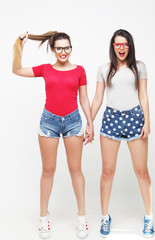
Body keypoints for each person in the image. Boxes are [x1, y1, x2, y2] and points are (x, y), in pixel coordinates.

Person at [12, 31, 94, 239]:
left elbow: (84, 99)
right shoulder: (45, 69)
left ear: (71, 48)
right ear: (52, 49)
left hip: (73, 122)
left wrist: (90, 122)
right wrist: (20, 43)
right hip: (49, 122)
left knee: (75, 169)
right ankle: (43, 217)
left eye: (67, 47)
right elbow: (17, 70)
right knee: (48, 170)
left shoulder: (80, 70)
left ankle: (82, 218)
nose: (63, 51)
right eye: (59, 48)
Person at [90, 29, 155, 238]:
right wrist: (89, 123)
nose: (121, 48)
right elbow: (98, 98)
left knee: (141, 171)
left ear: (130, 46)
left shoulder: (140, 67)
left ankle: (149, 217)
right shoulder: (104, 69)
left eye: (125, 44)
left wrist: (147, 121)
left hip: (135, 119)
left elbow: (143, 95)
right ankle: (105, 216)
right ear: (112, 46)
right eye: (117, 44)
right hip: (111, 120)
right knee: (107, 171)